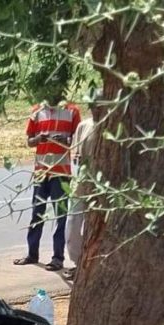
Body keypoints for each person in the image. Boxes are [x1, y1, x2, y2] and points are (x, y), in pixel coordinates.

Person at [15, 92, 81, 270]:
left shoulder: (72, 111)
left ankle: (57, 258)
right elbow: (29, 141)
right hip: (41, 171)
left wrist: (65, 140)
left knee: (61, 216)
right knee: (37, 213)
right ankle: (32, 253)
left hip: (61, 172)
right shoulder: (37, 111)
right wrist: (39, 139)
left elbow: (77, 140)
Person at [64, 110, 96, 279]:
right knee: (72, 227)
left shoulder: (110, 125)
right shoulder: (84, 126)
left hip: (100, 187)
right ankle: (78, 261)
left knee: (95, 228)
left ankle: (90, 266)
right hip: (80, 184)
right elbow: (76, 157)